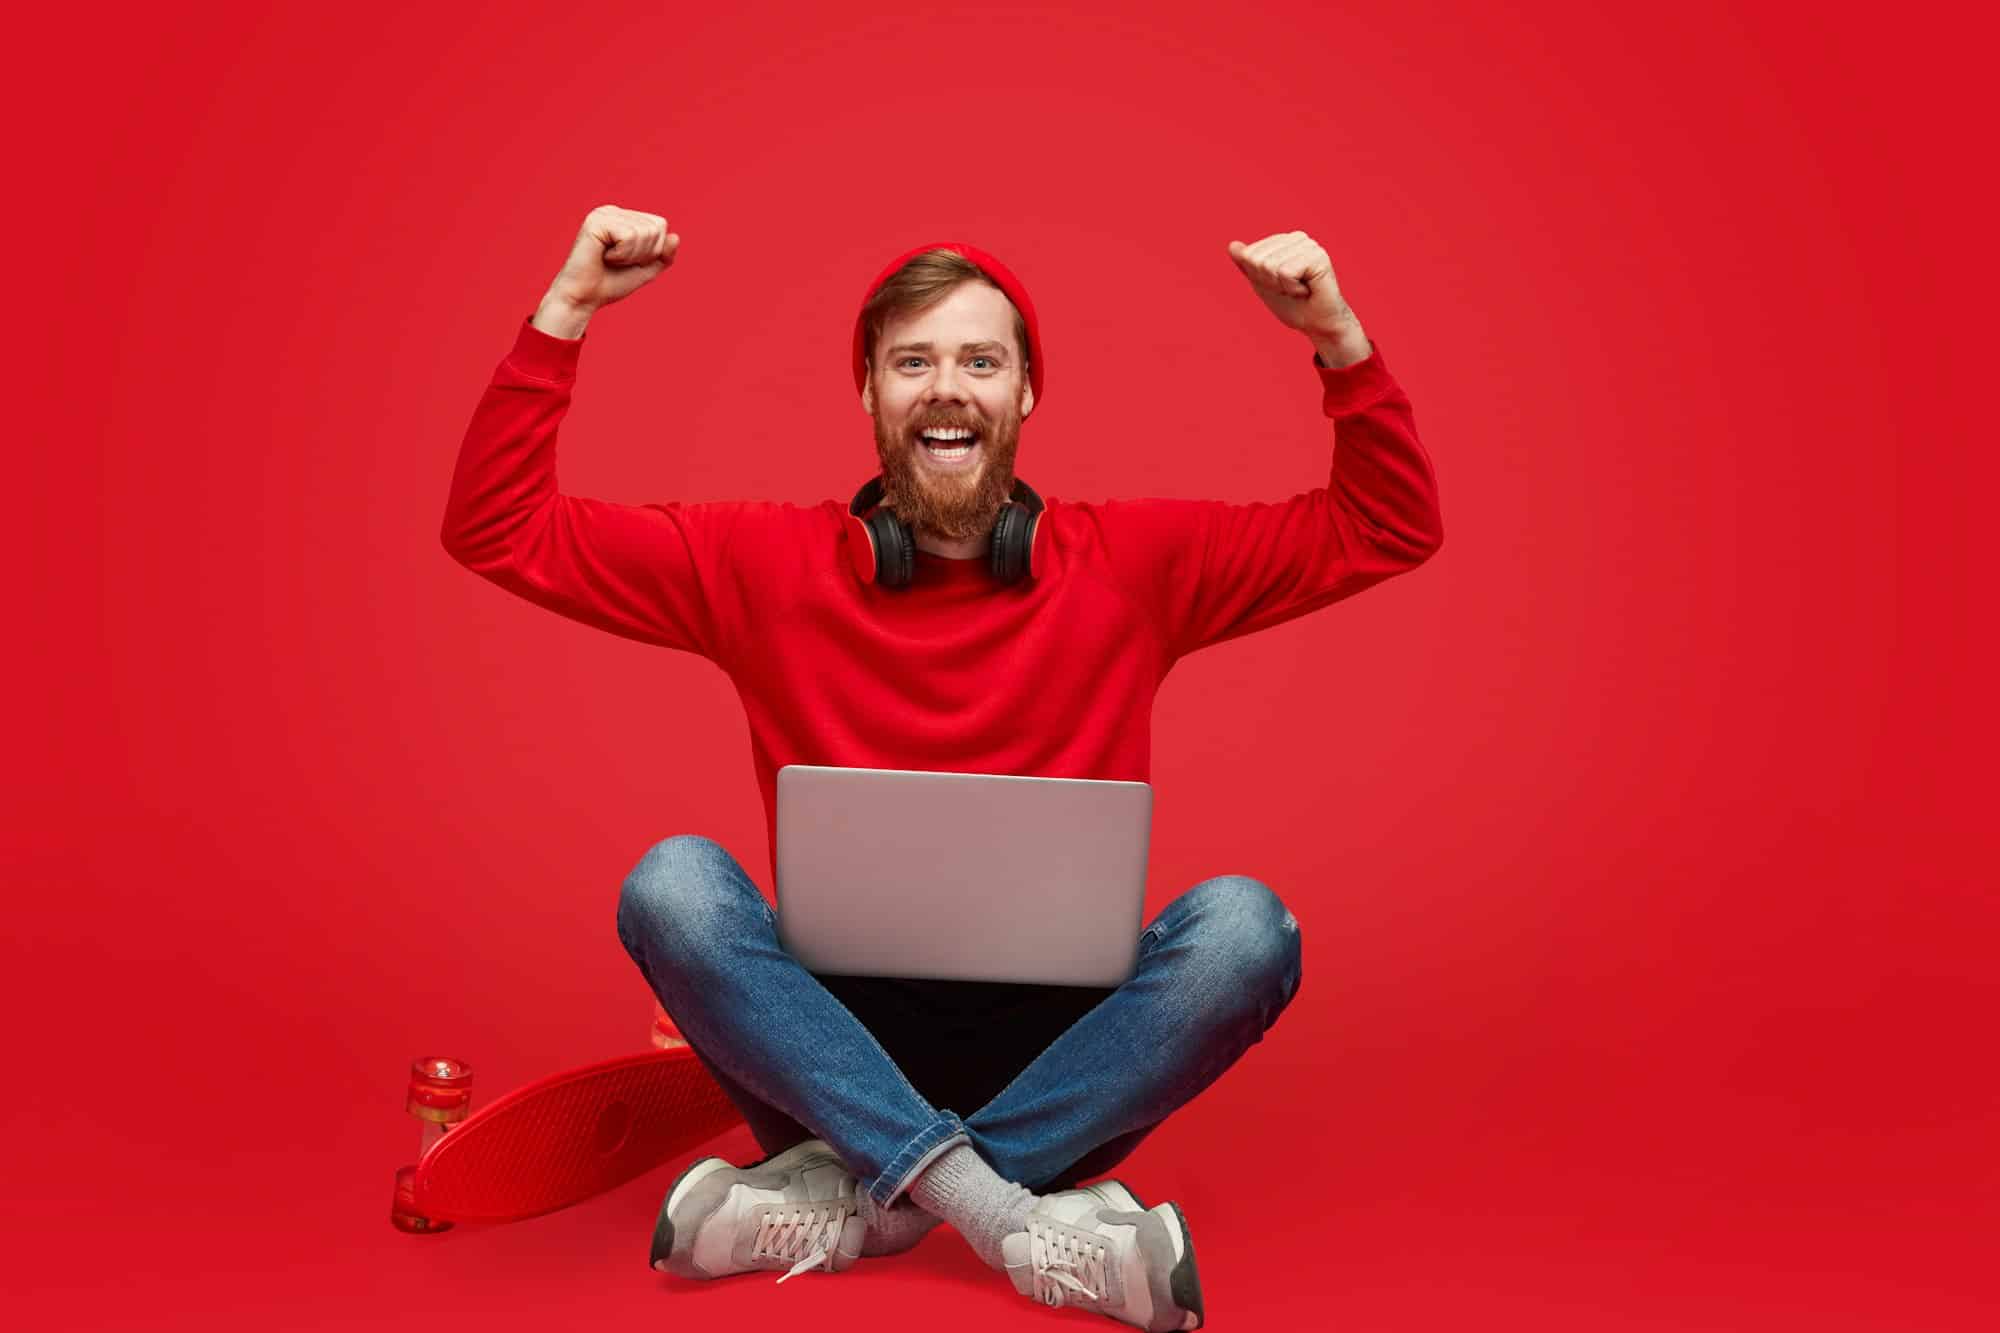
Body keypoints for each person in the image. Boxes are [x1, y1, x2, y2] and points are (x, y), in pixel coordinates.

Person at [441, 205, 1444, 1331]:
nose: (946, 386)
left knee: (1247, 929)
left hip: (1066, 1064)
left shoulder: (1137, 563)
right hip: (823, 1053)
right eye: (911, 362)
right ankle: (1008, 1217)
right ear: (868, 395)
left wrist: (1335, 336)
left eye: (979, 359)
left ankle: (868, 1201)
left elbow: (1388, 525)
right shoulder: (755, 563)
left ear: (1024, 395)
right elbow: (497, 526)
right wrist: (566, 310)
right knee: (671, 883)